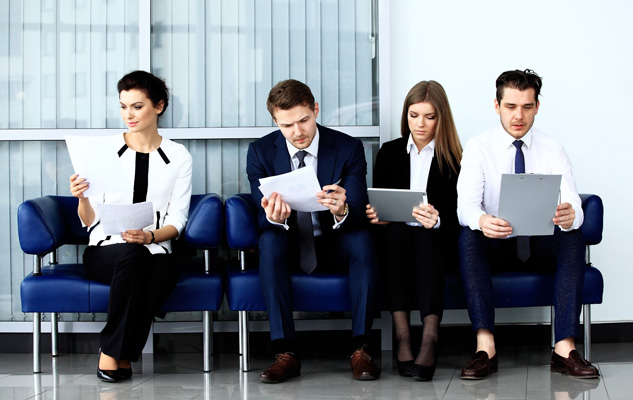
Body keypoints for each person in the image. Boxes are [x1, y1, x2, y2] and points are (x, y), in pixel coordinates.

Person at [456, 69, 599, 379]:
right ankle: (485, 347)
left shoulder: (552, 149)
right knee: (469, 235)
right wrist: (482, 220)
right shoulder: (479, 147)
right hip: (498, 243)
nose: (518, 115)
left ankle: (564, 348)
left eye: (527, 106)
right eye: (510, 106)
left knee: (572, 234)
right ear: (496, 106)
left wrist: (572, 213)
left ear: (537, 107)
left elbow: (573, 201)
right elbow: (465, 206)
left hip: (540, 243)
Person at [246, 79, 380, 383]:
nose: (297, 132)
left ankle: (361, 348)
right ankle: (285, 353)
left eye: (304, 120)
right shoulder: (260, 153)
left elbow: (358, 210)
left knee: (362, 241)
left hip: (334, 242)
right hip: (290, 244)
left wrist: (342, 209)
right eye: (287, 125)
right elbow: (260, 215)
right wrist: (274, 217)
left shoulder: (348, 148)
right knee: (269, 240)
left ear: (316, 110)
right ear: (275, 122)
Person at [69, 70, 193, 382]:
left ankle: (119, 353)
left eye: (137, 106)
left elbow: (178, 220)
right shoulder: (103, 150)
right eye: (124, 106)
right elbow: (90, 221)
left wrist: (149, 235)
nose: (129, 114)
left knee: (158, 265)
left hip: (156, 248)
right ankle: (112, 353)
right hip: (106, 253)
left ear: (159, 107)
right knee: (134, 257)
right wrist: (82, 198)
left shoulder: (179, 156)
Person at [366, 80, 462, 381]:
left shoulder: (455, 158)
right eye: (413, 115)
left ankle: (430, 338)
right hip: (396, 239)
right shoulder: (390, 152)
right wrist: (375, 215)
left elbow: (461, 212)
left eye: (429, 117)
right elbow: (379, 200)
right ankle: (403, 336)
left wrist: (438, 218)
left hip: (436, 240)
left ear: (441, 118)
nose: (420, 124)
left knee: (426, 237)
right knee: (396, 235)